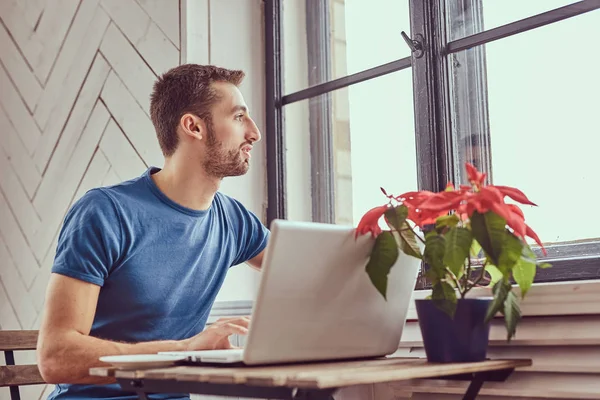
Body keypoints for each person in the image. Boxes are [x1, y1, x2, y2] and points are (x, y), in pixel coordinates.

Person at [37, 64, 270, 400]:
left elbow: (304, 268)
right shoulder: (106, 212)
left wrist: (373, 232)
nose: (254, 132)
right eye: (238, 117)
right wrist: (186, 351)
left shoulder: (232, 219)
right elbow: (55, 357)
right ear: (193, 126)